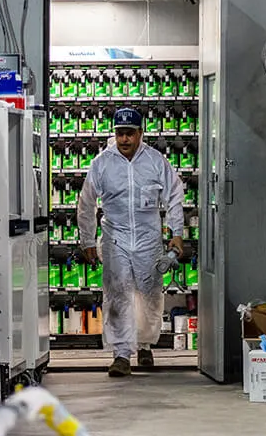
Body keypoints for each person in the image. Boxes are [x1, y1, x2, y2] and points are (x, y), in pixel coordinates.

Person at [77, 108, 185, 377]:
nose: (124, 139)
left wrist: (177, 233)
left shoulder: (156, 161)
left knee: (149, 295)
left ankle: (145, 344)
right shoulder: (102, 163)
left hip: (149, 239)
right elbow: (86, 202)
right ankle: (121, 354)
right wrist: (87, 240)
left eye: (130, 133)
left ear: (140, 133)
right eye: (120, 133)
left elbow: (174, 196)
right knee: (117, 295)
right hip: (116, 237)